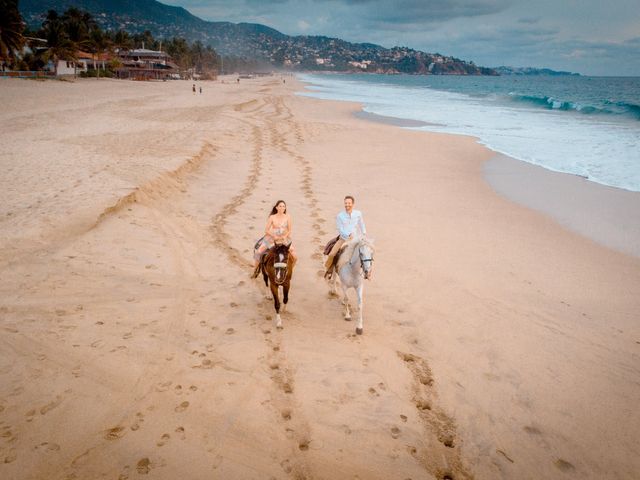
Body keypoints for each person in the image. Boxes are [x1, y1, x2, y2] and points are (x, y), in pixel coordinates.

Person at [324, 195, 366, 278]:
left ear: (353, 204)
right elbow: (340, 229)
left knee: (366, 253)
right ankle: (329, 269)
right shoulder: (340, 216)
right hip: (343, 239)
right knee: (332, 254)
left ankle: (366, 272)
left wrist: (364, 233)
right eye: (346, 203)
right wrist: (348, 235)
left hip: (355, 239)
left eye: (349, 203)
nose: (347, 205)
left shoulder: (358, 214)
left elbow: (361, 224)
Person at [253, 200, 297, 269]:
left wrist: (285, 236)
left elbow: (289, 230)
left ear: (285, 208)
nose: (282, 208)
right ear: (276, 207)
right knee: (258, 253)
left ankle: (289, 270)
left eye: (283, 206)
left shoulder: (288, 217)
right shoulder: (272, 217)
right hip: (272, 238)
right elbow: (266, 230)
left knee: (295, 257)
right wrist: (274, 236)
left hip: (284, 238)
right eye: (280, 206)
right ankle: (255, 270)